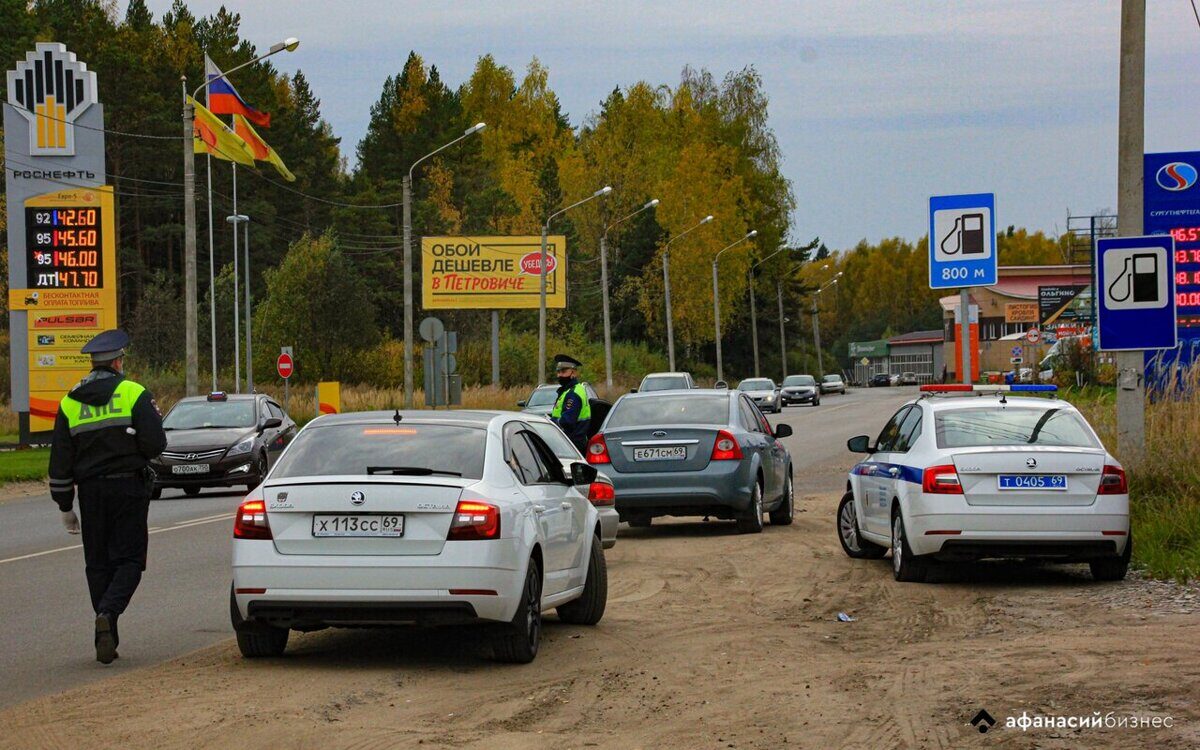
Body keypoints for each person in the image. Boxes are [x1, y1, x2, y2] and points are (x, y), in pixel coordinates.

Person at [48, 329, 166, 664]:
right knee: (129, 561)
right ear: (117, 361)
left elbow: (60, 459)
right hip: (128, 487)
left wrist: (64, 505)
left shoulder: (69, 401)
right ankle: (109, 614)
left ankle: (106, 629)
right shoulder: (133, 392)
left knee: (97, 564)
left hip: (90, 492)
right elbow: (156, 444)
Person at [549, 354, 591, 454]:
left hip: (571, 445)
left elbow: (566, 422)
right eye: (558, 372)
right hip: (571, 443)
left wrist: (549, 423)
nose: (559, 375)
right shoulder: (568, 391)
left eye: (563, 372)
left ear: (573, 373)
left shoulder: (573, 393)